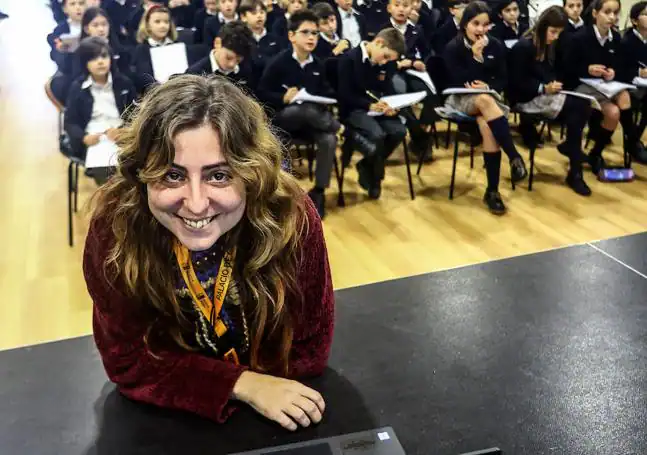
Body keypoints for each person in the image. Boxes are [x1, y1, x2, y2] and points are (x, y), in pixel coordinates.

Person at [83, 74, 334, 431]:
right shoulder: (115, 224)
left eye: (219, 176)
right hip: (165, 423)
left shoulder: (291, 215)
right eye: (172, 175)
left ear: (252, 171)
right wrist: (242, 383)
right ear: (141, 173)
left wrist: (184, 374)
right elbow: (127, 360)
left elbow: (308, 349)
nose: (197, 204)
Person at [443, 1, 528, 214]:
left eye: (485, 25)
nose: (481, 30)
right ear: (465, 25)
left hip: (489, 101)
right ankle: (514, 155)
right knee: (483, 101)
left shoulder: (496, 45)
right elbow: (455, 80)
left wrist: (489, 85)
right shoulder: (453, 46)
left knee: (486, 123)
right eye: (475, 24)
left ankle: (492, 191)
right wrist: (475, 58)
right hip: (459, 99)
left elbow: (503, 79)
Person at [258, 10, 341, 218]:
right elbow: (261, 94)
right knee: (302, 109)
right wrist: (282, 98)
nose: (312, 37)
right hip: (284, 120)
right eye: (305, 32)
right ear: (291, 36)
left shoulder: (318, 64)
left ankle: (319, 191)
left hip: (313, 122)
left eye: (314, 33)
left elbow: (327, 91)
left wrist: (322, 96)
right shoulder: (279, 62)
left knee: (329, 139)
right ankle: (338, 126)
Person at [508, 6, 592, 195]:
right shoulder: (523, 47)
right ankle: (574, 164)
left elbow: (549, 72)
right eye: (553, 32)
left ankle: (574, 161)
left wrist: (552, 84)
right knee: (577, 110)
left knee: (581, 106)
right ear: (542, 27)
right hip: (524, 99)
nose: (555, 37)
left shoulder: (548, 46)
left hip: (543, 95)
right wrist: (543, 87)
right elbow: (515, 83)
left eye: (558, 33)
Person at [565, 0, 639, 174]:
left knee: (619, 105)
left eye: (615, 13)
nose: (612, 17)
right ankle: (633, 141)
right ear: (595, 13)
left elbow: (621, 66)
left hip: (605, 86)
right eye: (607, 12)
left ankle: (596, 152)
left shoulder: (616, 38)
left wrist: (613, 72)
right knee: (616, 108)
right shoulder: (579, 37)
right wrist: (587, 69)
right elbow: (567, 69)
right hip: (582, 85)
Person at [336, 28, 407, 199]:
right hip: (354, 109)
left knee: (399, 131)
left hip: (377, 108)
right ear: (378, 43)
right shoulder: (349, 59)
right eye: (385, 57)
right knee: (377, 135)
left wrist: (391, 104)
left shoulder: (385, 63)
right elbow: (344, 94)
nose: (385, 62)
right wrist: (369, 105)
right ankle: (376, 179)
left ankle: (366, 165)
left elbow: (387, 87)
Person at [64, 37, 136, 183]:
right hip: (93, 140)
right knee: (107, 174)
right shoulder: (77, 88)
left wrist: (125, 132)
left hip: (122, 136)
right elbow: (70, 122)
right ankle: (113, 202)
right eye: (93, 58)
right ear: (85, 63)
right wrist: (83, 138)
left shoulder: (124, 83)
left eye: (104, 56)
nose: (100, 62)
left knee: (133, 165)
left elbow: (136, 115)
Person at [186, 21, 257, 93]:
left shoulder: (245, 69)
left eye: (238, 60)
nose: (232, 64)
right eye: (228, 57)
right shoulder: (194, 74)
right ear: (217, 43)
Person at [619, 1, 647, 164]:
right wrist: (639, 72)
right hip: (629, 85)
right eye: (645, 14)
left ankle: (635, 139)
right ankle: (633, 142)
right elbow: (621, 69)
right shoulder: (627, 41)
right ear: (635, 21)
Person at [132, 4, 179, 93]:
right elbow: (144, 78)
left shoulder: (176, 45)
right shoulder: (142, 49)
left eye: (166, 21)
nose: (163, 25)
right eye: (157, 22)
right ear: (148, 25)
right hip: (156, 93)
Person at [239, 0, 282, 75]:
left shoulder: (274, 38)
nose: (259, 16)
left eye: (262, 12)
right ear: (243, 17)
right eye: (254, 13)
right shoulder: (240, 38)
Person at [47, 0, 87, 73]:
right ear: (64, 9)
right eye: (72, 4)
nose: (78, 7)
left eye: (81, 3)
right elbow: (58, 58)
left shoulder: (95, 25)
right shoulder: (60, 31)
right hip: (71, 71)